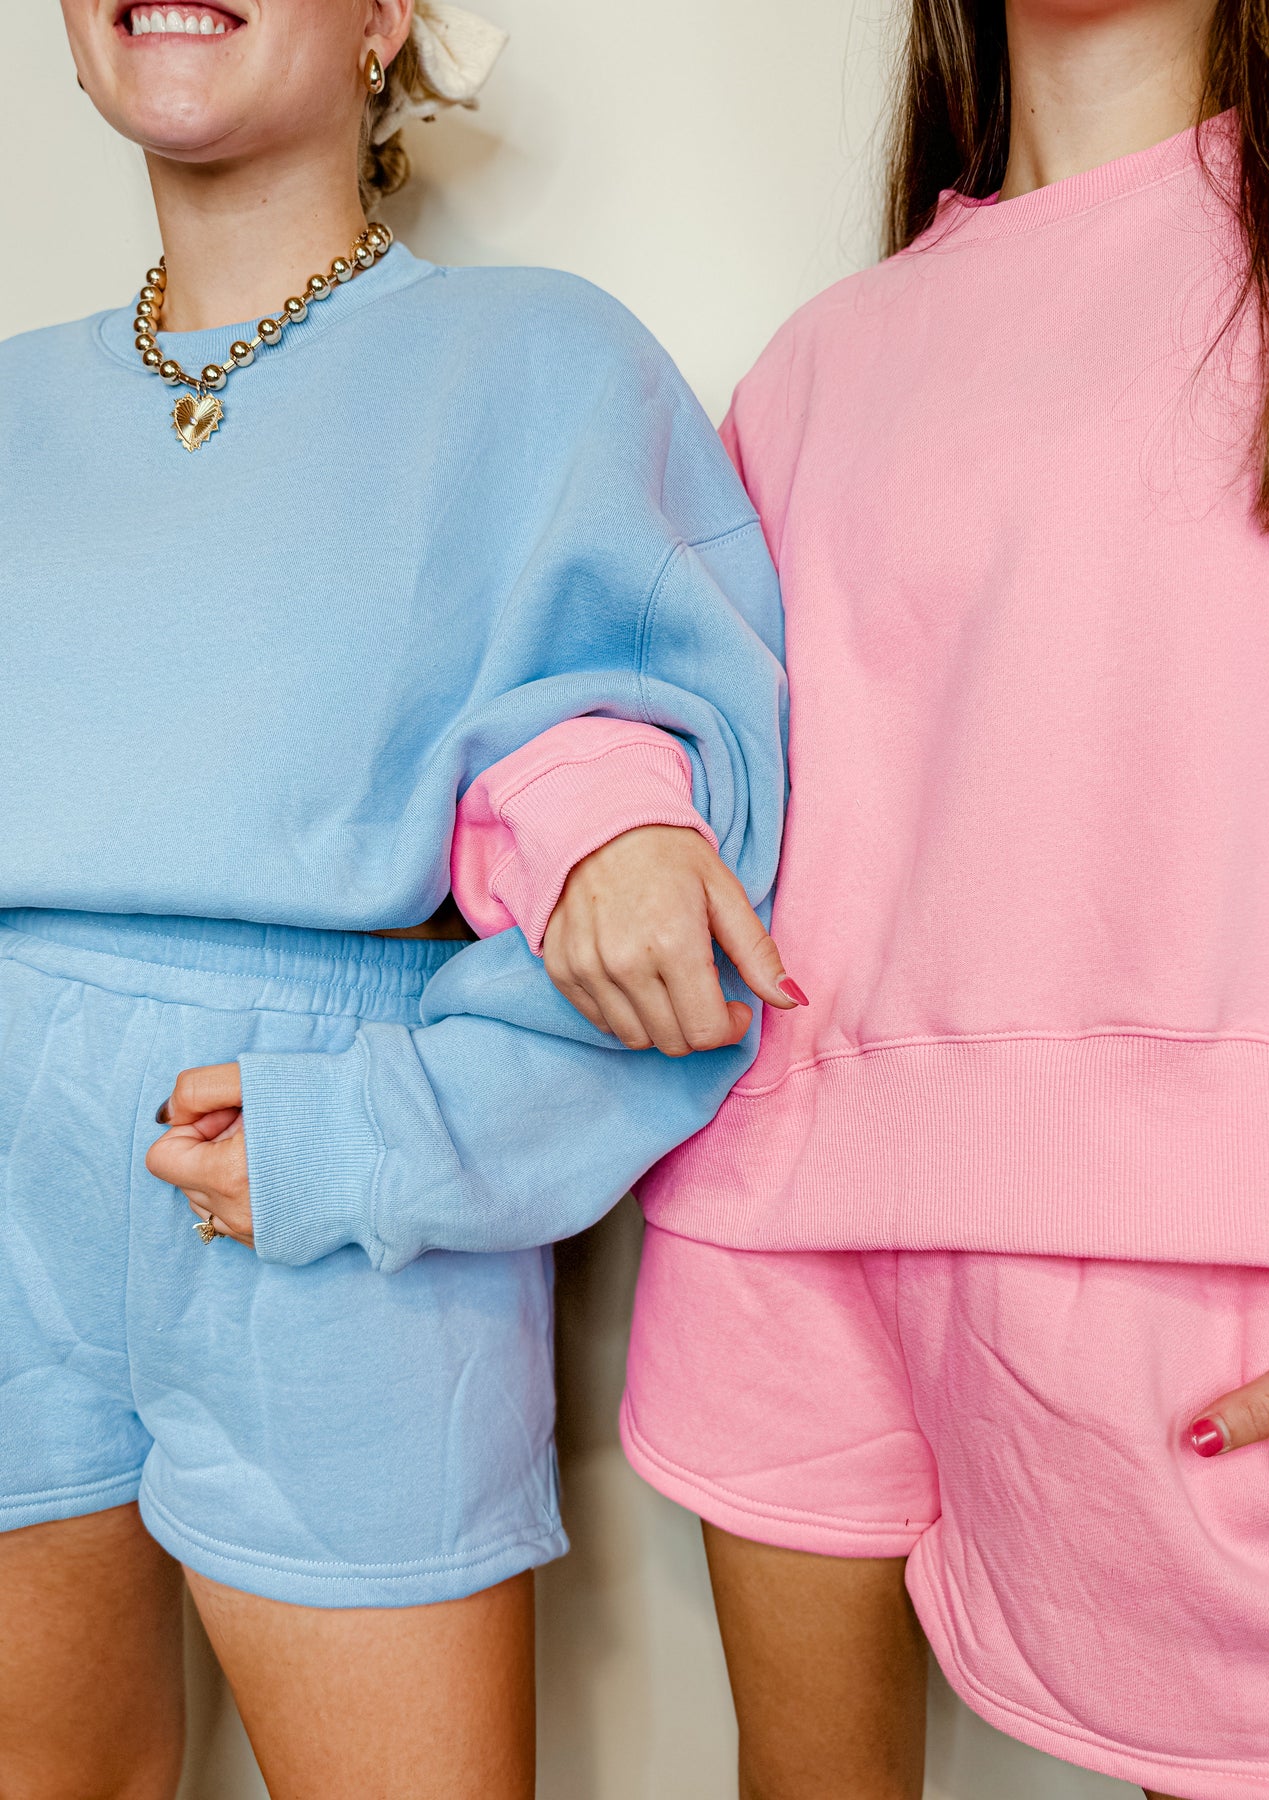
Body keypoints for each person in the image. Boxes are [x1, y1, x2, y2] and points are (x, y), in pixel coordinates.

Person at [0, 3, 796, 1794]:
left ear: (383, 21)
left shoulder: (542, 366)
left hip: (329, 1187)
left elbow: (686, 883)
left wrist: (382, 1138)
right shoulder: (9, 403)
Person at [539, 0, 1269, 1794]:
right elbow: (639, 704)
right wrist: (595, 816)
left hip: (1204, 1245)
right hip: (776, 1219)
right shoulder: (816, 361)